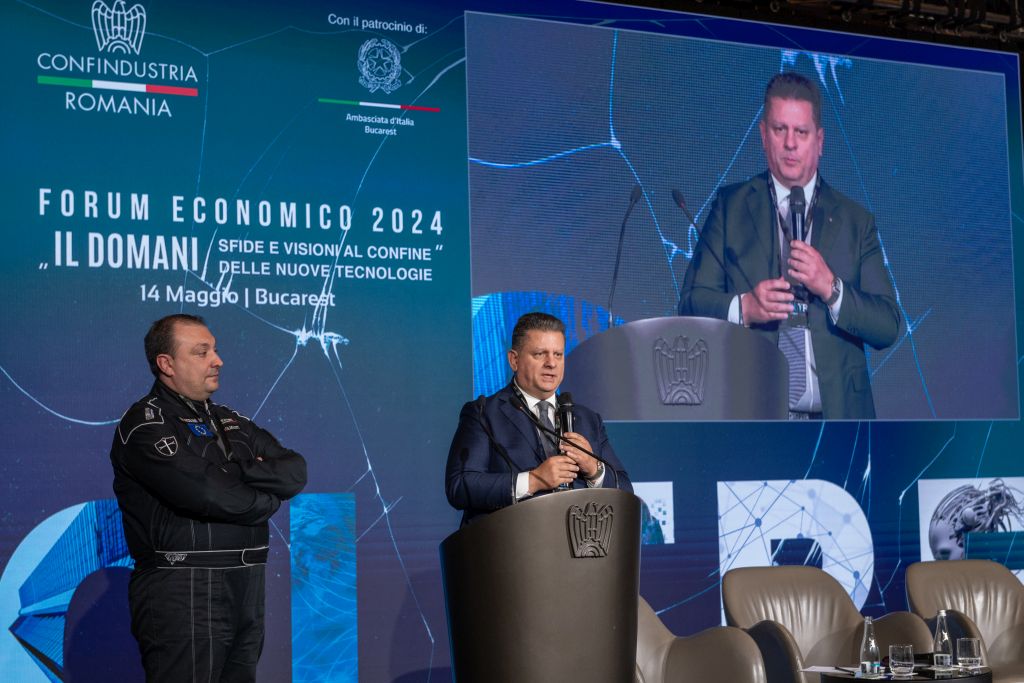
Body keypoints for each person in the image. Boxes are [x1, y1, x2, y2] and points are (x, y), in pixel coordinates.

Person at [678, 72, 900, 419]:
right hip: (756, 421)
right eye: (780, 130)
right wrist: (745, 307)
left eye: (801, 132)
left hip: (840, 423)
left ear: (819, 141)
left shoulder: (856, 221)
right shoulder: (730, 207)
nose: (790, 144)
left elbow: (887, 326)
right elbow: (690, 305)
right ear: (763, 136)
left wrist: (831, 288)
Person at [110, 314, 307, 682]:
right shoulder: (145, 424)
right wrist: (267, 500)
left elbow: (295, 471)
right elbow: (209, 493)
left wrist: (236, 471)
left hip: (247, 583)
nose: (218, 361)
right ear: (167, 364)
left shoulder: (230, 420)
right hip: (184, 587)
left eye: (214, 350)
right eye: (202, 353)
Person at [445, 312, 632, 526]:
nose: (551, 363)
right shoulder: (483, 414)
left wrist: (593, 468)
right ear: (514, 360)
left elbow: (625, 490)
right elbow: (459, 486)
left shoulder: (588, 420)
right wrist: (534, 480)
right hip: (512, 541)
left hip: (579, 542)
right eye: (540, 354)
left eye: (558, 354)